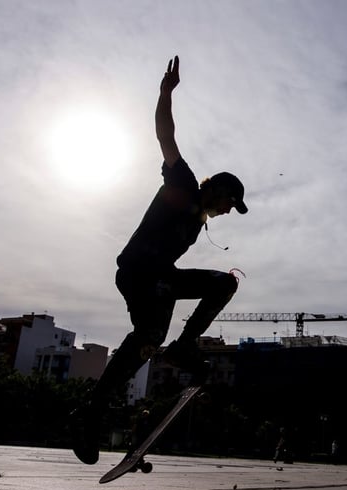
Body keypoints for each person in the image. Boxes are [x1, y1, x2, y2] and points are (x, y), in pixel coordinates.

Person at [72, 55, 248, 464]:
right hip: (137, 272)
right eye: (228, 203)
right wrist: (165, 93)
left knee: (223, 283)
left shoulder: (197, 221)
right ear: (216, 189)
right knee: (149, 333)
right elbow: (165, 136)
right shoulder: (184, 183)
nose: (226, 211)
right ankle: (90, 414)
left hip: (161, 279)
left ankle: (183, 348)